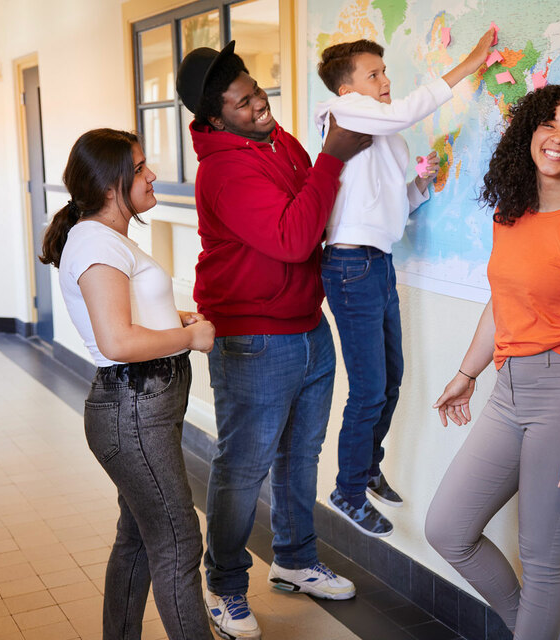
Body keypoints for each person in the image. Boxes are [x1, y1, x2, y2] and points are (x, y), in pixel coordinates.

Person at [425, 85, 560, 640]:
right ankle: (544, 633)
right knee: (448, 527)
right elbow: (503, 305)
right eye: (550, 125)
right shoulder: (511, 215)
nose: (559, 139)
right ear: (528, 133)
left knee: (542, 561)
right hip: (509, 391)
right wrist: (466, 373)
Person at [175, 41, 371, 639]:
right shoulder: (225, 169)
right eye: (242, 102)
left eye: (256, 88)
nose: (258, 102)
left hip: (307, 325)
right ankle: (225, 587)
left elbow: (310, 210)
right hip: (254, 340)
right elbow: (291, 237)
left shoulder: (275, 139)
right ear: (214, 118)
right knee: (243, 468)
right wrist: (333, 158)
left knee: (301, 456)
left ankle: (293, 559)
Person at [312, 30, 495, 537]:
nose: (386, 81)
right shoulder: (341, 113)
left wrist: (421, 184)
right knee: (369, 388)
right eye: (374, 74)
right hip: (349, 265)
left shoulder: (387, 136)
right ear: (347, 89)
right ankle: (347, 491)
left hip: (378, 261)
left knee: (391, 378)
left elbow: (394, 206)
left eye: (385, 71)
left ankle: (367, 465)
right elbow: (402, 112)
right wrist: (469, 64)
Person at [39, 128, 216, 640]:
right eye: (140, 168)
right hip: (134, 408)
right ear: (111, 186)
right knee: (179, 541)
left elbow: (124, 315)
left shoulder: (105, 237)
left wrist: (171, 316)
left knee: (139, 537)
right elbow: (116, 342)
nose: (152, 174)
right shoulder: (94, 240)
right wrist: (188, 336)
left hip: (142, 404)